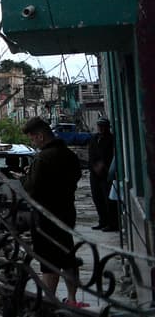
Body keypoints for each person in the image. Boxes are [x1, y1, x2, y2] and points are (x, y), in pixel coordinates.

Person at [21, 116, 84, 306]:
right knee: (67, 257)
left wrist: (23, 177)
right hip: (66, 212)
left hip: (45, 217)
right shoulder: (68, 155)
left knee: (48, 262)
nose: (33, 142)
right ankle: (72, 299)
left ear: (40, 137)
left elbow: (31, 188)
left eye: (32, 138)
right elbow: (75, 177)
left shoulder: (43, 158)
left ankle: (50, 302)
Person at [87, 118, 117, 232]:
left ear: (107, 127)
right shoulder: (94, 138)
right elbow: (91, 154)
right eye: (99, 126)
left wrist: (104, 166)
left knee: (108, 200)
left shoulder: (111, 139)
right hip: (94, 174)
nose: (101, 128)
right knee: (97, 198)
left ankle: (112, 223)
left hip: (107, 174)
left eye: (103, 126)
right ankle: (102, 221)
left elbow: (112, 156)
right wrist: (93, 167)